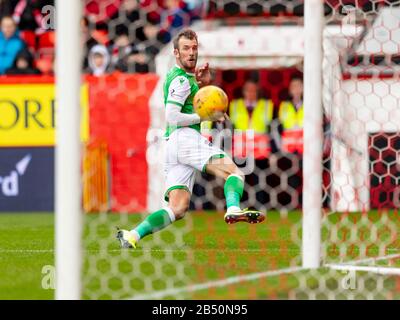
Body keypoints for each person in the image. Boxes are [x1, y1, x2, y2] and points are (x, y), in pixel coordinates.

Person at [117, 29, 265, 249]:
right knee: (234, 172)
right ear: (176, 53)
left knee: (177, 208)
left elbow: (191, 101)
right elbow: (172, 116)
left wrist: (202, 84)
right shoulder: (181, 80)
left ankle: (133, 235)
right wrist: (205, 115)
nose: (191, 52)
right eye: (186, 48)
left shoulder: (184, 78)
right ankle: (233, 209)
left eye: (194, 48)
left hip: (173, 145)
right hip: (185, 139)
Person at [229, 78, 275, 159]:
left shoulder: (267, 106)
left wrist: (273, 152)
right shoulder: (234, 105)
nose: (250, 93)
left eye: (253, 90)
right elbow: (229, 128)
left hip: (260, 152)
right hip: (240, 152)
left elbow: (273, 130)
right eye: (248, 90)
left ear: (258, 92)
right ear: (243, 91)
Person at [278, 76, 304, 154]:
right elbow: (279, 127)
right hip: (288, 148)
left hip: (305, 147)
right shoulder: (284, 106)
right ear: (289, 89)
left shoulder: (309, 105)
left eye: (298, 85)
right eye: (293, 86)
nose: (296, 89)